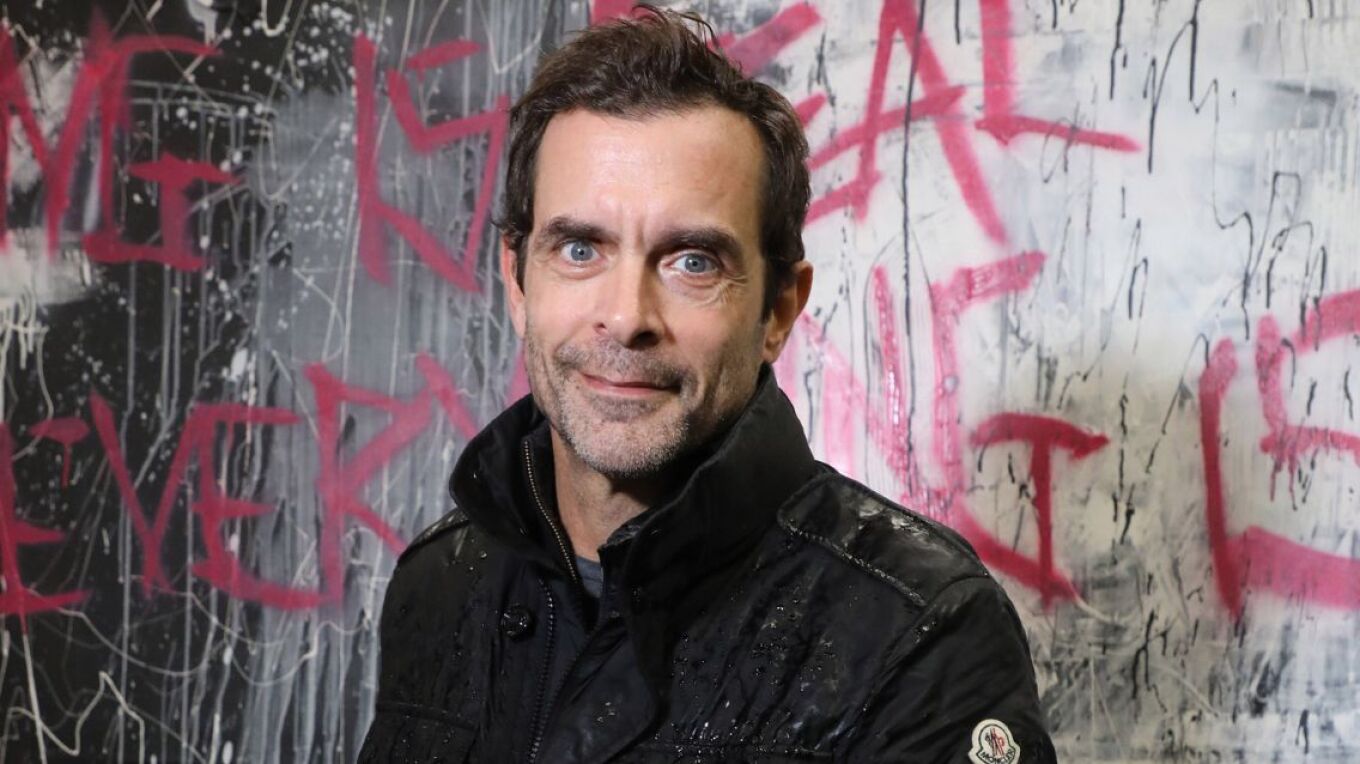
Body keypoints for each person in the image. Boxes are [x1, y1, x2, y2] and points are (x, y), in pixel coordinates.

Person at [360, 7, 1056, 762]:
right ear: (518, 279)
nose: (627, 317)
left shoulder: (921, 638)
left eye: (692, 262)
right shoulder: (441, 583)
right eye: (580, 249)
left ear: (777, 310)